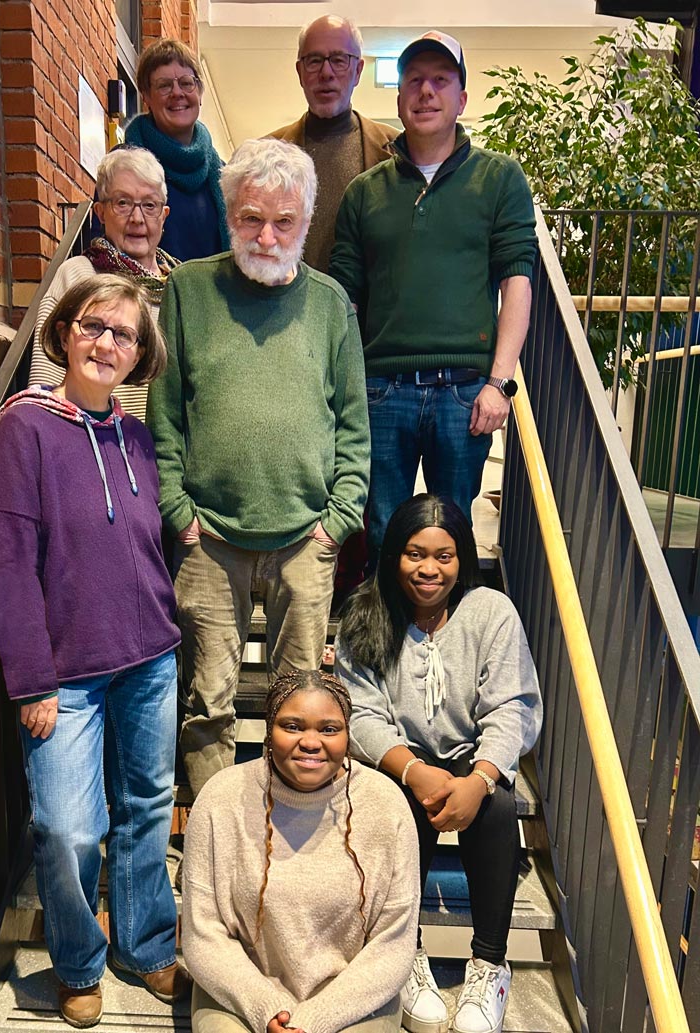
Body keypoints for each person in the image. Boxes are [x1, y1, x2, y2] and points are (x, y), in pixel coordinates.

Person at [0, 275, 190, 1029]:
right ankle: (76, 960)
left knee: (147, 806)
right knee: (69, 827)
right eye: (94, 326)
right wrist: (30, 680)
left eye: (123, 334)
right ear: (65, 331)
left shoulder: (134, 436)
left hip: (150, 658)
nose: (106, 343)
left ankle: (147, 941)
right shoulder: (23, 430)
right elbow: (4, 561)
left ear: (138, 354)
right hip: (63, 675)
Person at [146, 137, 370, 797]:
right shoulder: (187, 290)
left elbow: (355, 424)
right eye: (251, 218)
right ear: (228, 211)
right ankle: (216, 833)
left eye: (284, 222)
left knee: (299, 706)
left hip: (307, 537)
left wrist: (338, 519)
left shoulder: (331, 304)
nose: (266, 236)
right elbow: (165, 415)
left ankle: (288, 827)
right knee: (208, 702)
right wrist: (179, 514)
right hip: (210, 538)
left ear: (306, 221)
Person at [335, 495, 543, 1033]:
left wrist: (480, 779)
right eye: (414, 554)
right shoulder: (365, 613)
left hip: (475, 762)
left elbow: (511, 706)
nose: (429, 569)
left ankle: (489, 967)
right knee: (401, 807)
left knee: (497, 812)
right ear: (394, 557)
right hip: (400, 766)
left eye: (444, 556)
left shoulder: (490, 611)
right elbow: (359, 715)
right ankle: (406, 953)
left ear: (462, 557)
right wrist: (414, 770)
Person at [329, 31, 537, 565]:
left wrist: (499, 383)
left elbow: (519, 278)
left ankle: (451, 645)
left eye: (440, 81)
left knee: (454, 537)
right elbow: (345, 300)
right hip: (380, 393)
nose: (426, 92)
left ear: (461, 99)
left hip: (465, 393)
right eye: (414, 81)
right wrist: (349, 388)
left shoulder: (499, 179)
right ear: (399, 100)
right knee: (383, 533)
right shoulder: (363, 193)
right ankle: (387, 646)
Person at [181, 669, 420, 1033]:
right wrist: (266, 1008)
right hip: (241, 994)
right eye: (292, 726)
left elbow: (393, 946)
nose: (311, 742)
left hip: (353, 1001)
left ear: (347, 734)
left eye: (329, 729)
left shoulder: (387, 805)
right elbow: (203, 935)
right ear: (268, 730)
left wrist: (314, 1020)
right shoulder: (220, 798)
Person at [30, 147, 179, 420]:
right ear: (100, 212)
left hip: (166, 455)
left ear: (164, 215)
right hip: (96, 442)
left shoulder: (181, 286)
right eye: (122, 203)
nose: (137, 218)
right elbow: (45, 385)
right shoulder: (77, 277)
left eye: (149, 205)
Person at [268, 16, 397, 274]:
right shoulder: (268, 153)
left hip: (371, 311)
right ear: (300, 72)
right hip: (289, 309)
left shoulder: (397, 150)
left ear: (358, 70)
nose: (326, 73)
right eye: (314, 61)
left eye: (338, 60)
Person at [123, 38, 229, 260]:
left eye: (186, 83)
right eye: (164, 85)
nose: (177, 93)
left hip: (207, 294)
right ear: (146, 97)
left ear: (199, 92)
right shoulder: (123, 166)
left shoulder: (224, 176)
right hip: (143, 292)